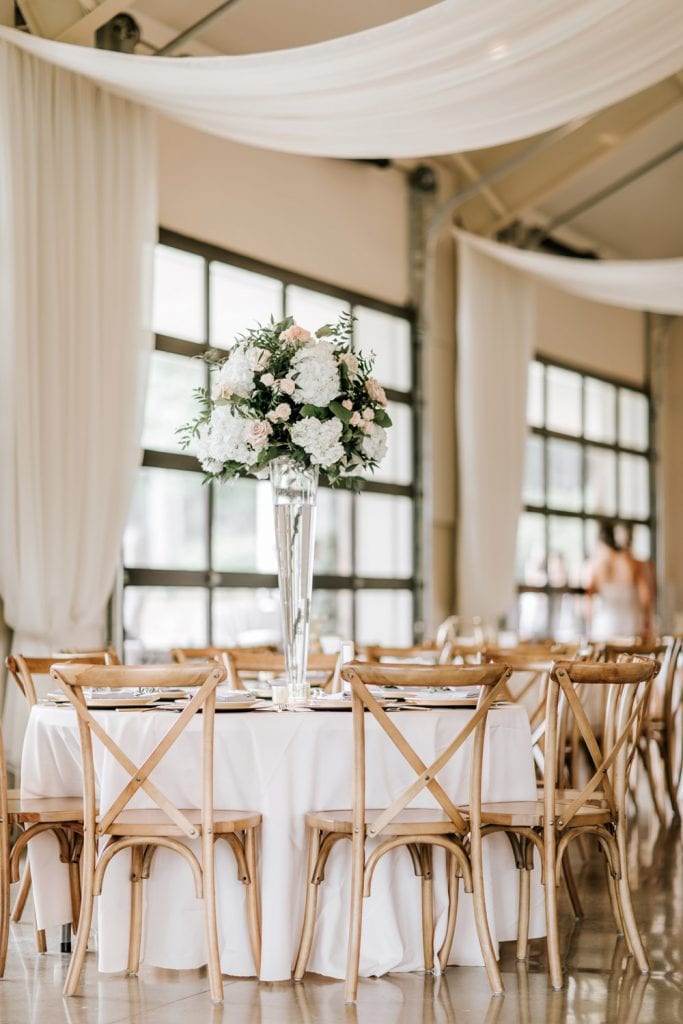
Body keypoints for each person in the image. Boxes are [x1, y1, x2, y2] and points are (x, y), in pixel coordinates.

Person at [584, 520, 653, 640]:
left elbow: (588, 600)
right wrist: (647, 621)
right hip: (632, 623)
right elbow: (645, 596)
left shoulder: (596, 566)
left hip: (605, 626)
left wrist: (591, 623)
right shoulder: (633, 563)